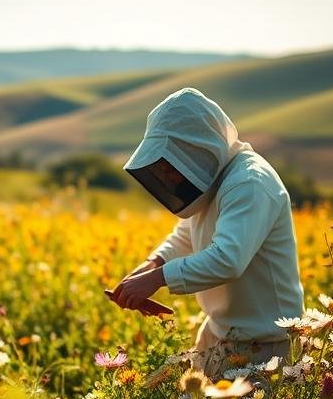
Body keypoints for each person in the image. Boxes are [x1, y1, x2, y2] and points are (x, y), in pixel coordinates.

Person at [109, 88, 304, 379]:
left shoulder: (249, 182)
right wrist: (153, 264)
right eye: (161, 167)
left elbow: (227, 259)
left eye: (171, 162)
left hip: (266, 347)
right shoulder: (215, 181)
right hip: (219, 333)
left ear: (200, 148)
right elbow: (186, 234)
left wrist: (155, 279)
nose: (166, 175)